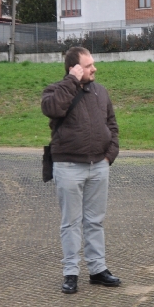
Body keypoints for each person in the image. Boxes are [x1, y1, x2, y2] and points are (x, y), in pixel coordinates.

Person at [41, 46, 121, 294]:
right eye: (88, 66)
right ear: (73, 68)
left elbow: (112, 125)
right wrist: (72, 82)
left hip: (99, 165)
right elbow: (53, 109)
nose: (94, 69)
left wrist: (109, 155)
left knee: (95, 221)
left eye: (92, 64)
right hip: (67, 166)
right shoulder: (55, 90)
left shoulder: (100, 91)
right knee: (71, 223)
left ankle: (97, 270)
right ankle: (71, 273)